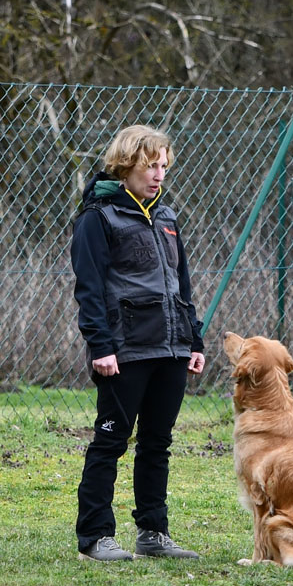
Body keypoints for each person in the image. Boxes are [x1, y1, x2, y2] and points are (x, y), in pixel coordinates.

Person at [70, 124, 206, 561]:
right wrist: (100, 346)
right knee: (110, 441)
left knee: (157, 443)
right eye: (151, 165)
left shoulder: (166, 217)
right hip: (124, 350)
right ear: (127, 164)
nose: (159, 174)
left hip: (172, 349)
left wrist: (194, 340)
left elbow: (181, 285)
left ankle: (153, 533)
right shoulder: (98, 217)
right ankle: (94, 537)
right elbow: (89, 289)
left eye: (164, 166)